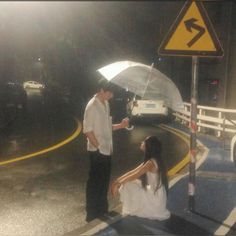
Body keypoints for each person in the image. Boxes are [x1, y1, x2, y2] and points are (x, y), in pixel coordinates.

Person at [83, 78, 129, 222]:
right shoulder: (92, 106)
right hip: (97, 151)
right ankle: (92, 212)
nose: (112, 96)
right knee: (95, 182)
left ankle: (102, 209)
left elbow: (107, 127)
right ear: (102, 91)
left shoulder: (106, 104)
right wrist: (98, 147)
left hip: (107, 149)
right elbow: (87, 131)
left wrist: (120, 126)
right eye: (109, 93)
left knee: (103, 181)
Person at [110, 135, 170, 220]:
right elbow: (132, 172)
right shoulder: (153, 160)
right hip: (158, 196)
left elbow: (134, 175)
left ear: (149, 147)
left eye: (144, 142)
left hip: (155, 200)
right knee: (131, 182)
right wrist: (116, 182)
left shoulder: (150, 163)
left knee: (128, 184)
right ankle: (134, 206)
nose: (142, 143)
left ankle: (132, 208)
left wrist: (117, 184)